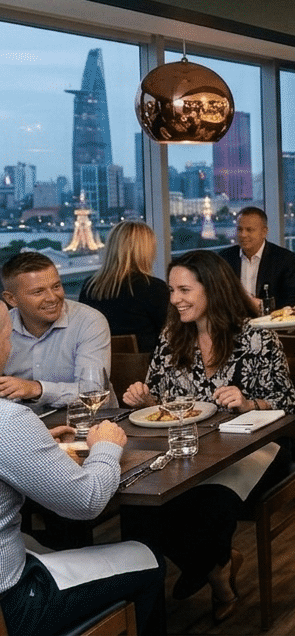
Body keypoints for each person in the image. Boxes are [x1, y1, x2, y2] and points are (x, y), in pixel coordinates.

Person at [119, 250, 295, 622]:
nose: (174, 300)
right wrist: (146, 399)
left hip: (255, 445)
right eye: (172, 291)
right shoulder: (172, 337)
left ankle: (205, 570)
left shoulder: (256, 337)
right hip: (190, 449)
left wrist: (248, 402)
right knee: (140, 507)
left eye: (184, 290)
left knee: (210, 502)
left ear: (212, 289)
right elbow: (161, 398)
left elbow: (287, 401)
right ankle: (216, 571)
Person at [0, 308, 166, 635]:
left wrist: (32, 444)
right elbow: (87, 502)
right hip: (13, 602)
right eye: (8, 335)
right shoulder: (9, 422)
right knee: (149, 558)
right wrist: (107, 446)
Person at [1, 252, 110, 408]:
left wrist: (37, 389)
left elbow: (94, 393)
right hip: (23, 419)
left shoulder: (89, 321)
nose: (52, 298)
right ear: (11, 299)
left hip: (89, 419)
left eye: (56, 286)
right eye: (38, 292)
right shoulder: (3, 326)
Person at [79, 220, 168, 353]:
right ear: (146, 251)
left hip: (100, 363)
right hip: (145, 364)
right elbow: (170, 334)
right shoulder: (154, 288)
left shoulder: (89, 286)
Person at [218, 206, 295, 312]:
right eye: (239, 229)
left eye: (249, 230)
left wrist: (263, 306)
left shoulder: (285, 259)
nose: (243, 235)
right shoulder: (224, 258)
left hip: (270, 319)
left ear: (264, 232)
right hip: (233, 319)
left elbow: (293, 299)